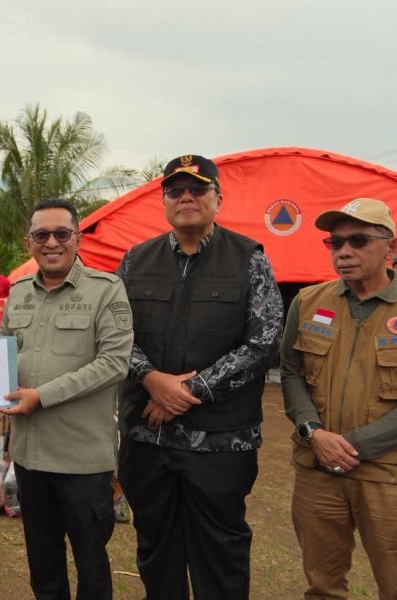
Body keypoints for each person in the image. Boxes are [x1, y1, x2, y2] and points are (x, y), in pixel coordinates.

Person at [115, 154, 283, 599]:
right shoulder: (135, 261)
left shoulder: (249, 259)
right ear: (164, 201)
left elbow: (264, 341)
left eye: (197, 188)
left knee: (220, 555)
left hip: (220, 443)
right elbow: (112, 333)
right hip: (146, 439)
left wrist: (188, 389)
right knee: (155, 550)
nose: (185, 197)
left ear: (218, 198)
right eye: (175, 190)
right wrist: (151, 378)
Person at [280, 198, 397, 600]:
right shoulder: (308, 302)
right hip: (318, 470)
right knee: (323, 587)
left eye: (358, 240)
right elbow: (292, 375)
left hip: (391, 474)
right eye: (335, 242)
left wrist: (351, 446)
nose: (344, 251)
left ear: (392, 248)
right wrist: (314, 433)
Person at [0, 198, 133, 599]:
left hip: (81, 459)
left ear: (77, 238)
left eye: (62, 233)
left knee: (91, 564)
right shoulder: (19, 292)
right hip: (29, 456)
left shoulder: (106, 291)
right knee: (43, 565)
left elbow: (114, 363)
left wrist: (41, 396)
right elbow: (2, 354)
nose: (52, 242)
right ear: (30, 242)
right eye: (42, 235)